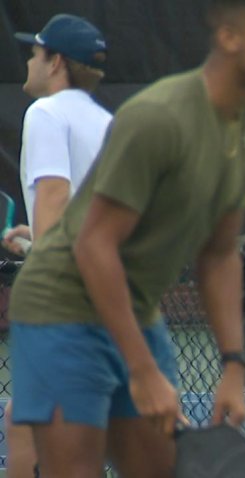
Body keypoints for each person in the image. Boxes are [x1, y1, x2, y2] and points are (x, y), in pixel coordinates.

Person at [7, 1, 245, 477]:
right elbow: (92, 245)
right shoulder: (158, 118)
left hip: (133, 311)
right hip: (57, 309)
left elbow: (219, 251)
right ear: (229, 37)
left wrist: (233, 363)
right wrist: (142, 371)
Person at [2, 14, 112, 478]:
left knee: (27, 425)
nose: (29, 58)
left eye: (36, 52)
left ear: (57, 62)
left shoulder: (44, 114)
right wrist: (31, 239)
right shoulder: (108, 122)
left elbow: (54, 196)